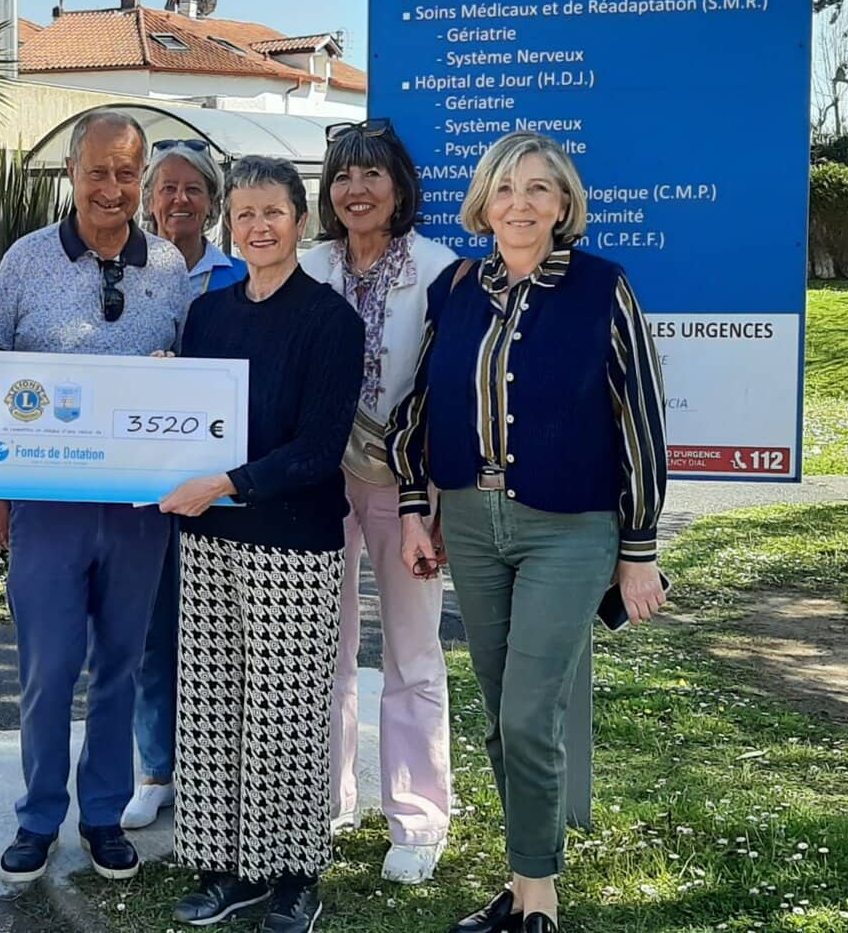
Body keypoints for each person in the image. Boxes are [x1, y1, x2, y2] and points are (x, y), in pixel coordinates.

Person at [384, 133, 669, 933]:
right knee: (499, 709)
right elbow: (418, 406)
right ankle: (521, 881)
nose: (520, 204)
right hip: (470, 524)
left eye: (539, 190)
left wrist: (638, 549)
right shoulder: (454, 289)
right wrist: (415, 505)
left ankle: (536, 897)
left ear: (563, 206)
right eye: (506, 188)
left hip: (569, 528)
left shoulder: (600, 287)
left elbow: (638, 415)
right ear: (484, 201)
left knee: (526, 712)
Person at [0, 109, 190, 885]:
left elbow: (196, 383)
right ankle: (38, 815)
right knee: (48, 664)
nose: (111, 187)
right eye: (96, 171)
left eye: (126, 173)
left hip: (139, 513)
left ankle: (101, 815)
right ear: (71, 172)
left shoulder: (169, 268)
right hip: (46, 505)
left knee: (120, 666)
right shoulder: (26, 261)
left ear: (141, 180)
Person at [159, 155, 365, 933]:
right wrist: (161, 386)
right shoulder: (208, 313)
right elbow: (192, 415)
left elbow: (317, 449)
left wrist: (222, 484)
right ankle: (221, 865)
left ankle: (292, 873)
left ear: (301, 221)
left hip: (292, 541)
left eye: (271, 212)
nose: (256, 226)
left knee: (285, 713)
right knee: (212, 705)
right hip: (210, 537)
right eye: (242, 213)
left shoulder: (330, 321)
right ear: (228, 224)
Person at [299, 120, 458, 883]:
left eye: (370, 176)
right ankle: (327, 803)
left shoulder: (440, 271)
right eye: (340, 177)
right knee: (318, 649)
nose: (354, 191)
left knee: (412, 648)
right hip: (313, 482)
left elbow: (452, 393)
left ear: (399, 188)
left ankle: (418, 819)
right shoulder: (306, 266)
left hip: (406, 489)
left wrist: (434, 504)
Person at [121, 136, 244, 832]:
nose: (178, 200)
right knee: (152, 630)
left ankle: (211, 771)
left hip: (223, 480)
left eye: (192, 188)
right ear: (147, 198)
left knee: (218, 632)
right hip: (147, 478)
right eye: (165, 187)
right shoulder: (131, 270)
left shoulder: (237, 273)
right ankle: (153, 770)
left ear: (212, 201)